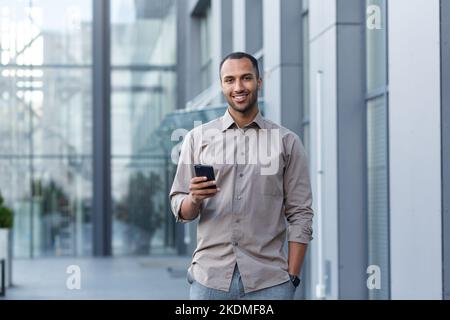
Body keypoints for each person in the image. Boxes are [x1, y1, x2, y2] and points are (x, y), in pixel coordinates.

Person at [169, 52, 313, 300]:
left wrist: (292, 278)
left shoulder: (286, 142)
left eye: (246, 78)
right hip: (209, 281)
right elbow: (179, 206)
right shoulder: (198, 139)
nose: (238, 87)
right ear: (222, 85)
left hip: (269, 283)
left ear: (259, 82)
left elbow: (301, 213)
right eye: (230, 80)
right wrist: (193, 199)